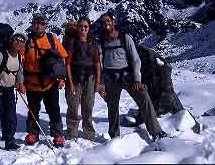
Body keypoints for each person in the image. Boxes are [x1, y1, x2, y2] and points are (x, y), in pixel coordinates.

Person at [98, 11, 167, 141]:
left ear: (114, 22)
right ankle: (114, 137)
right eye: (103, 22)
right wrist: (101, 82)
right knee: (112, 107)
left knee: (144, 98)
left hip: (128, 76)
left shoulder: (125, 38)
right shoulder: (102, 41)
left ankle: (156, 132)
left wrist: (137, 79)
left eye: (108, 20)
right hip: (111, 78)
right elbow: (100, 63)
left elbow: (136, 60)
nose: (105, 24)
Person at [23, 13, 68, 148]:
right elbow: (19, 61)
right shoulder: (26, 41)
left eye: (41, 23)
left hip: (50, 82)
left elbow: (62, 58)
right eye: (36, 23)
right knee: (32, 110)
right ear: (32, 24)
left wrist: (61, 77)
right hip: (32, 83)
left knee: (54, 109)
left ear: (45, 25)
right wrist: (19, 82)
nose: (38, 26)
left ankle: (58, 135)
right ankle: (33, 133)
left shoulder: (52, 39)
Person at [65, 16, 101, 141]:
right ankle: (72, 133)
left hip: (89, 78)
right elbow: (68, 63)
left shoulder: (93, 43)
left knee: (88, 106)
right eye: (81, 26)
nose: (83, 29)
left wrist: (98, 81)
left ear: (89, 28)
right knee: (73, 106)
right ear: (77, 27)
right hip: (74, 78)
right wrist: (69, 82)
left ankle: (89, 133)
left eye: (86, 26)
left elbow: (97, 63)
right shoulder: (72, 42)